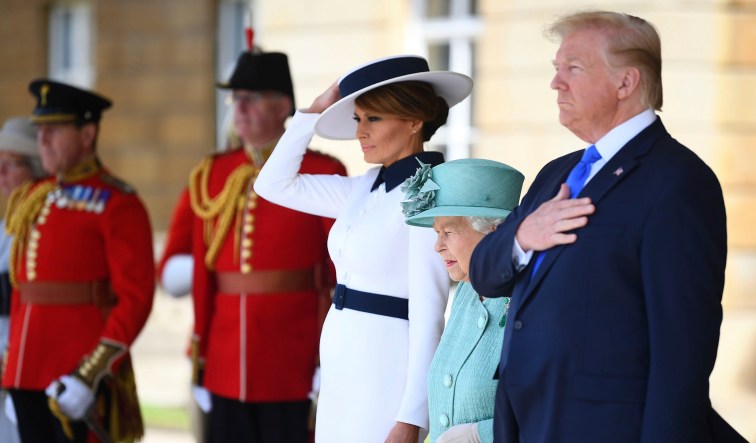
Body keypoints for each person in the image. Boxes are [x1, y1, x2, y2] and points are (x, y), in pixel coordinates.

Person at [468, 11, 746, 442]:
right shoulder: (554, 175)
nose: (556, 83)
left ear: (626, 82)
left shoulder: (679, 181)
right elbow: (484, 271)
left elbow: (682, 354)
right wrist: (523, 236)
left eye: (573, 68)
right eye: (556, 69)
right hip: (527, 423)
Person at [254, 54, 472, 443]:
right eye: (358, 119)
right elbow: (271, 185)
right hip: (341, 352)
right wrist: (311, 114)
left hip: (386, 363)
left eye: (373, 118)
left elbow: (428, 314)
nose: (360, 133)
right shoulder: (363, 188)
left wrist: (411, 417)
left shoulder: (428, 194)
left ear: (413, 121)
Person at [187, 49, 347, 443]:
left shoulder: (323, 171)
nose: (238, 109)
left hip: (291, 358)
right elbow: (203, 275)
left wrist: (331, 354)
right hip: (225, 358)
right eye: (234, 99)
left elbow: (341, 268)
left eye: (250, 99)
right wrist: (202, 356)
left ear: (282, 106)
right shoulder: (213, 173)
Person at [1, 80, 154, 443]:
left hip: (78, 373)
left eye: (54, 130)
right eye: (41, 130)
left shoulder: (118, 202)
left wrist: (92, 372)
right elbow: (23, 290)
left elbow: (135, 299)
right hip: (26, 371)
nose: (43, 139)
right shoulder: (33, 197)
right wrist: (13, 367)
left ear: (87, 133)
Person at [401, 158, 524, 443]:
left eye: (449, 232)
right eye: (436, 232)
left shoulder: (529, 297)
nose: (437, 245)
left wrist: (480, 435)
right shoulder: (467, 292)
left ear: (493, 233)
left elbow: (546, 401)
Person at [0, 116, 48, 443]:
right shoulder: (7, 225)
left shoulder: (48, 223)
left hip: (29, 364)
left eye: (10, 164)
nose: (1, 174)